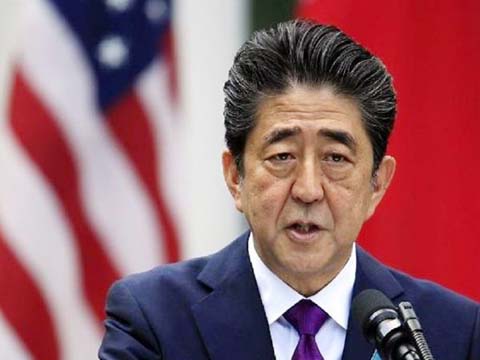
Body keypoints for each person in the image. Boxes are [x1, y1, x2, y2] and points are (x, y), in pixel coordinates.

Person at [98, 20, 480, 360]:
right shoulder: (155, 320)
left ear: (376, 184)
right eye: (282, 156)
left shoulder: (453, 332)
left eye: (336, 158)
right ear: (236, 177)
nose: (309, 190)